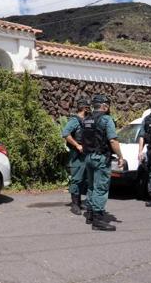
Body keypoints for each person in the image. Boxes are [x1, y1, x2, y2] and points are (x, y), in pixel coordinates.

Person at [83, 95, 125, 231]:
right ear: (105, 106)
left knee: (91, 187)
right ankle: (98, 220)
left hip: (88, 157)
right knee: (101, 188)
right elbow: (113, 140)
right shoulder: (106, 119)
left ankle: (89, 214)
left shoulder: (86, 119)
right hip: (100, 158)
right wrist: (120, 156)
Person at [62, 98, 91, 215]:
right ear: (84, 108)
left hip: (86, 154)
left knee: (85, 179)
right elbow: (65, 133)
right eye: (88, 107)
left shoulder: (87, 120)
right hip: (77, 155)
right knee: (77, 179)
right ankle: (74, 204)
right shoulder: (75, 121)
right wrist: (77, 145)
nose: (89, 109)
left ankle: (79, 202)